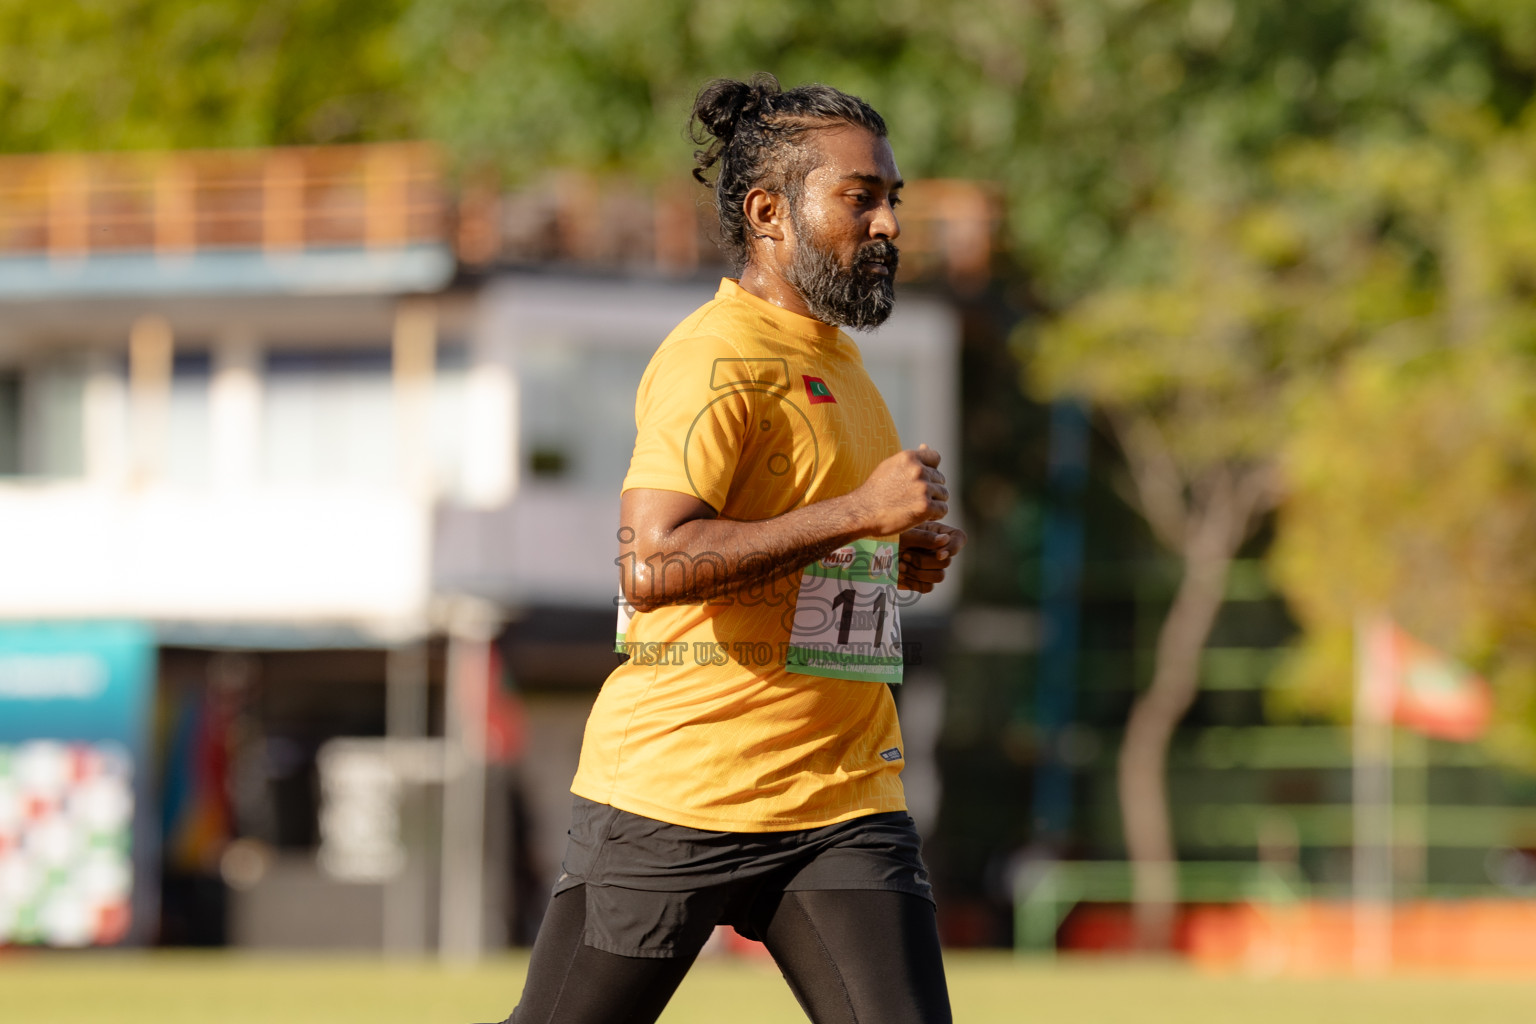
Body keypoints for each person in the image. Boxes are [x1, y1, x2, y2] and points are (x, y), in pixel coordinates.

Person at [489, 73, 965, 1024]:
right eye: (859, 198)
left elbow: (800, 539)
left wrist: (887, 556)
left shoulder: (840, 363)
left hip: (840, 798)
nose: (888, 226)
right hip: (682, 790)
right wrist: (853, 516)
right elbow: (651, 563)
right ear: (768, 213)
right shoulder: (716, 357)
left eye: (892, 201)